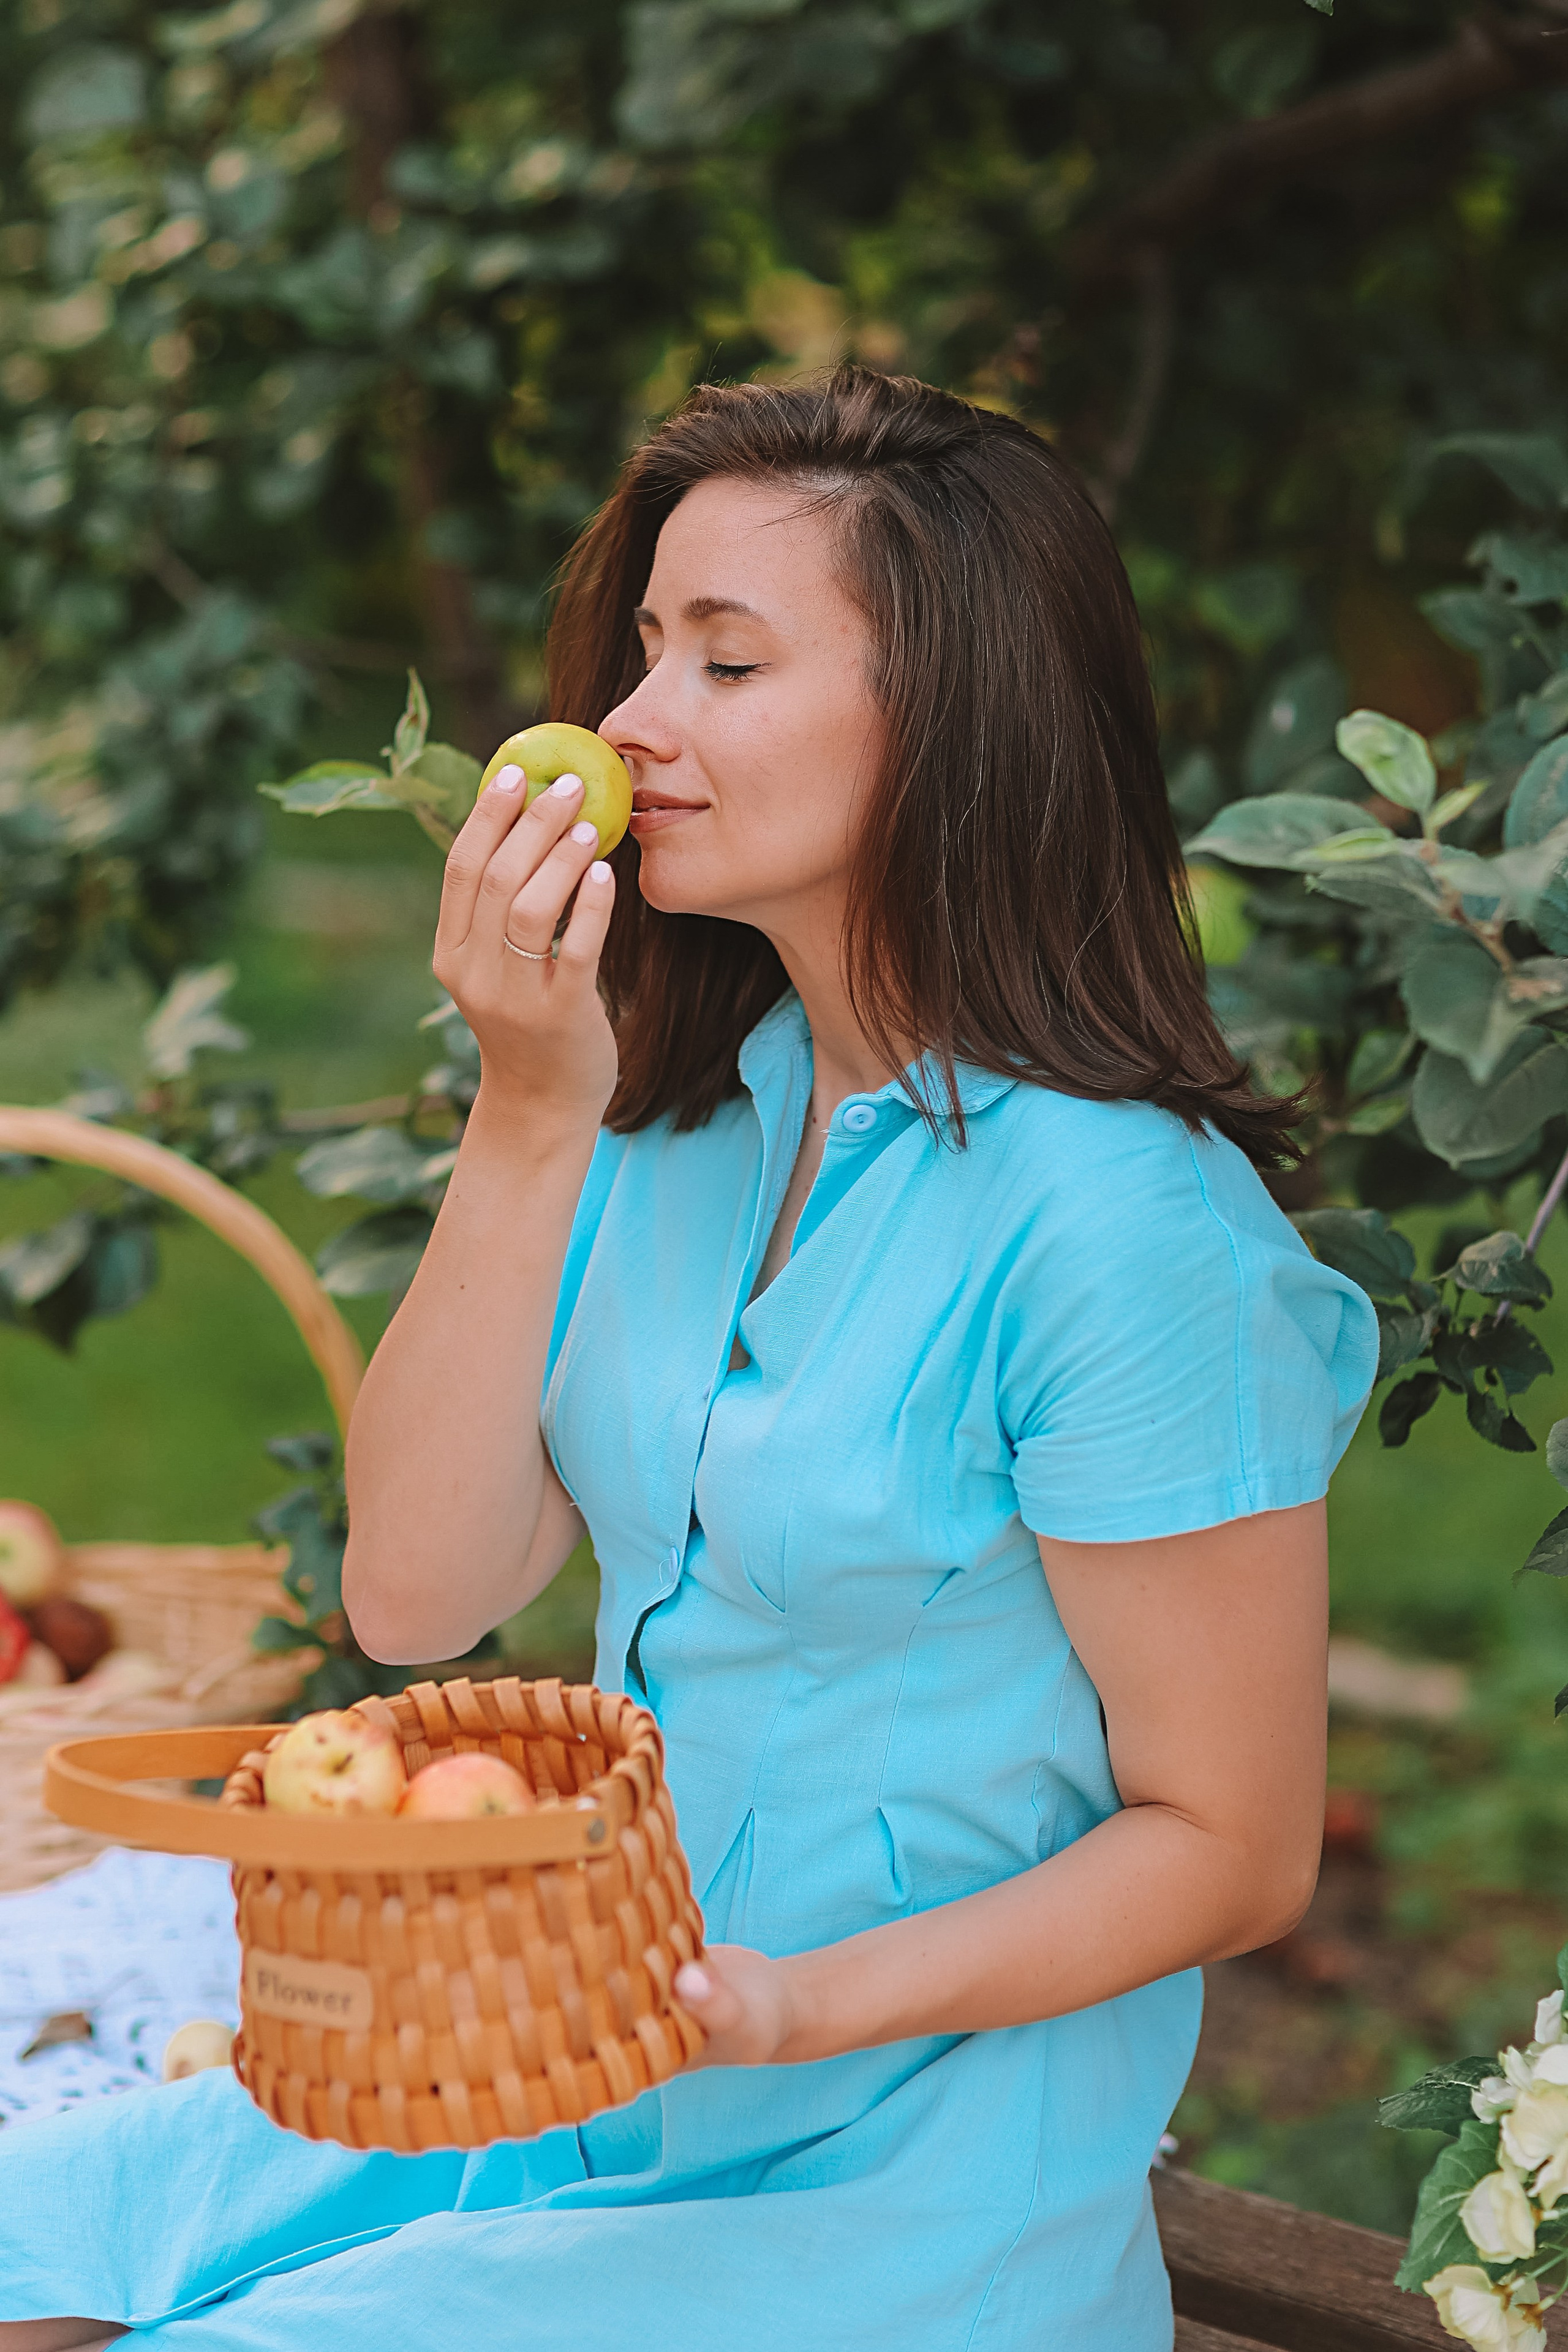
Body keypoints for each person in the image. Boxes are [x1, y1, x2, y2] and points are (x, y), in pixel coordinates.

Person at [0, 366, 1376, 2352]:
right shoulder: (686, 1120)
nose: (633, 722)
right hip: (546, 2069)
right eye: (646, 648)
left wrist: (797, 2005)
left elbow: (1231, 1850)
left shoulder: (1127, 1236)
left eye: (726, 663)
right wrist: (526, 1109)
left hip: (887, 2187)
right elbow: (417, 1599)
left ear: (954, 723)